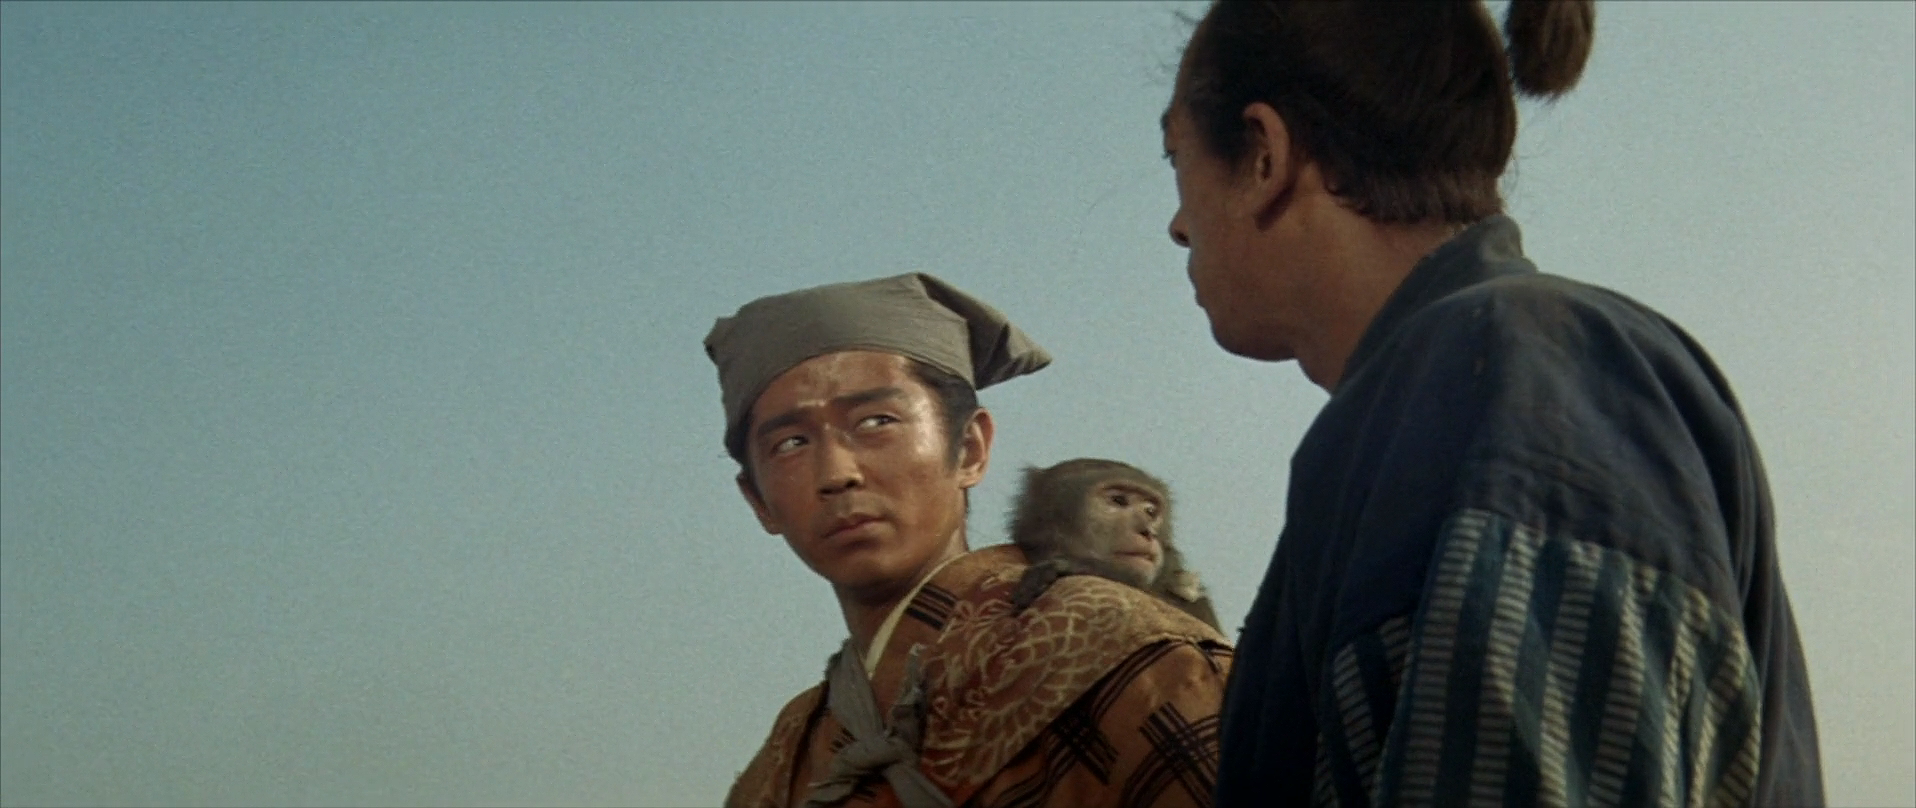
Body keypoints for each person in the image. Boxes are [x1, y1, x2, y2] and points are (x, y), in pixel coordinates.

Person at [1156, 1, 1823, 806]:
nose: (1178, 225)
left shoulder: (1521, 369)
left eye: (1177, 158)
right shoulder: (1456, 386)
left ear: (1264, 154)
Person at [708, 273, 1232, 808]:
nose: (837, 473)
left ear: (970, 450)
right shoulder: (786, 757)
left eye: (876, 421)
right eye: (791, 443)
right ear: (758, 501)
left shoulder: (1132, 653)